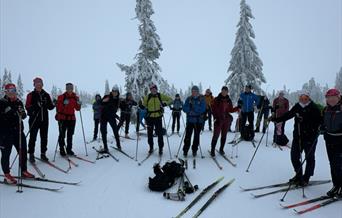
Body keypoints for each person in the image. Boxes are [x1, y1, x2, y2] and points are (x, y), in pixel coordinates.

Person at [272, 91, 321, 186]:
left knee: (309, 157)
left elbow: (318, 122)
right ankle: (299, 175)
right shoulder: (298, 106)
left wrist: (304, 120)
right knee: (294, 156)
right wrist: (276, 120)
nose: (303, 100)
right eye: (301, 98)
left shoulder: (313, 108)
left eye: (305, 98)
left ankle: (306, 177)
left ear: (309, 98)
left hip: (310, 137)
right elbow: (289, 114)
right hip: (298, 136)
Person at [0, 83, 35, 184]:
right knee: (6, 154)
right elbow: (6, 115)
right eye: (10, 91)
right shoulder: (2, 102)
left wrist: (22, 113)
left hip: (18, 131)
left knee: (23, 151)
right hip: (5, 133)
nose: (12, 93)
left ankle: (23, 171)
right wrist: (12, 112)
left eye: (14, 91)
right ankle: (7, 175)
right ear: (6, 92)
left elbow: (23, 114)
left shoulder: (19, 102)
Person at [25, 77, 55, 162]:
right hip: (34, 120)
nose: (39, 85)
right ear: (34, 85)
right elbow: (27, 107)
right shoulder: (31, 95)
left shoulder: (46, 95)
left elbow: (50, 107)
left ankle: (43, 154)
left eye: (40, 84)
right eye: (37, 84)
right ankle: (31, 154)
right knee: (33, 137)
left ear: (42, 85)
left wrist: (54, 104)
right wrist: (36, 107)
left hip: (44, 120)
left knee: (44, 137)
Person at [321, 88, 342, 197]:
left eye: (333, 97)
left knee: (339, 165)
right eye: (329, 98)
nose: (331, 100)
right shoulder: (325, 110)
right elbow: (323, 122)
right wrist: (321, 127)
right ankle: (336, 185)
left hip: (340, 140)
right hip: (329, 140)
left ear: (338, 97)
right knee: (332, 164)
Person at [143, 84, 172, 155]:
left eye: (154, 88)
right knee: (149, 134)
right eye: (151, 89)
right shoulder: (148, 97)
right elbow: (143, 105)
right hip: (149, 117)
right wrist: (141, 106)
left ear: (156, 89)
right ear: (150, 90)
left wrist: (164, 104)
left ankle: (160, 148)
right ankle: (151, 147)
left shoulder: (160, 95)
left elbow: (171, 100)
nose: (153, 90)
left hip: (158, 117)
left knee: (159, 134)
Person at [210, 86, 239, 156]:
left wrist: (238, 107)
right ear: (221, 91)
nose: (224, 92)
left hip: (226, 120)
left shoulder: (228, 100)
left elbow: (231, 110)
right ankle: (212, 150)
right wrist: (215, 118)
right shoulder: (217, 99)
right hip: (218, 119)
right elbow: (213, 110)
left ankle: (221, 149)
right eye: (223, 91)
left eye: (226, 91)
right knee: (216, 135)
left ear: (227, 92)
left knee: (224, 135)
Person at [55, 83, 81, 156]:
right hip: (63, 118)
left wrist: (79, 104)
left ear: (72, 89)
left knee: (70, 135)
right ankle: (62, 149)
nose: (70, 90)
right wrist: (63, 104)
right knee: (62, 134)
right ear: (66, 89)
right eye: (68, 88)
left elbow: (77, 109)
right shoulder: (61, 97)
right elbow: (58, 108)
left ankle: (69, 149)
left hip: (72, 119)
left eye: (71, 88)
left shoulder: (75, 97)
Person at [182, 86, 206, 157]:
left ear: (198, 92)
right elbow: (184, 108)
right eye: (193, 91)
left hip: (198, 121)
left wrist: (194, 108)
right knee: (187, 136)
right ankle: (185, 150)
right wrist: (190, 109)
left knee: (196, 137)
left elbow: (203, 109)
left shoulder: (201, 99)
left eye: (195, 91)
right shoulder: (188, 99)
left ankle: (194, 150)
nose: (194, 92)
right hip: (190, 121)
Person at [99, 86, 121, 153]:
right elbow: (100, 103)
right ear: (112, 91)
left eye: (116, 91)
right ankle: (105, 147)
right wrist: (103, 101)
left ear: (117, 92)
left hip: (111, 117)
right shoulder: (107, 96)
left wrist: (116, 116)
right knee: (103, 131)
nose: (115, 93)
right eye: (113, 91)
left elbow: (114, 109)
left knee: (115, 130)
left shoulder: (117, 100)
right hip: (104, 116)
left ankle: (118, 145)